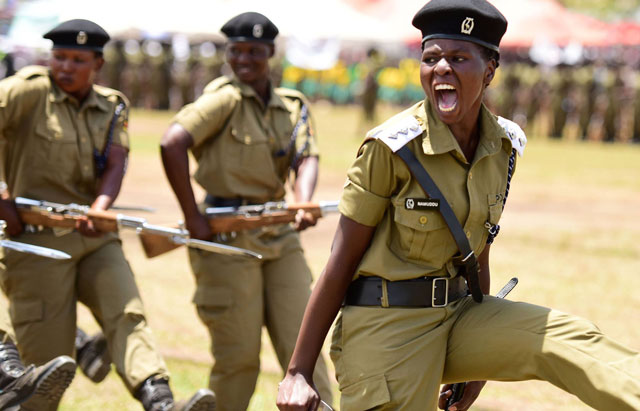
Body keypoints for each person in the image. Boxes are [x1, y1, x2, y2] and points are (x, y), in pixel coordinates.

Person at [276, 1, 640, 410]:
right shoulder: (391, 148)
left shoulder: (502, 146)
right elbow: (340, 263)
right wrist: (298, 372)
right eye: (431, 58)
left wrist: (481, 360)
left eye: (458, 58)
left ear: (489, 71)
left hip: (458, 314)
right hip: (388, 327)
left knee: (568, 340)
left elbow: (477, 254)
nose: (442, 68)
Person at [0, 19, 216, 410]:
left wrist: (101, 205)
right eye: (59, 57)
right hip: (35, 241)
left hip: (95, 236)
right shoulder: (27, 91)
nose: (66, 67)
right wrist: (1, 196)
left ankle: (161, 401)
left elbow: (117, 160)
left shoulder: (112, 105)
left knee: (127, 313)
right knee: (48, 366)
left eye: (77, 60)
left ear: (98, 64)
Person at [160, 12, 333, 411]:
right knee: (238, 359)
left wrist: (302, 200)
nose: (244, 60)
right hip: (227, 236)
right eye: (236, 51)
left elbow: (305, 156)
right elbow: (172, 143)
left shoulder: (291, 105)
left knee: (304, 351)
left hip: (279, 234)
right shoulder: (222, 99)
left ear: (270, 52)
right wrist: (192, 216)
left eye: (254, 51)